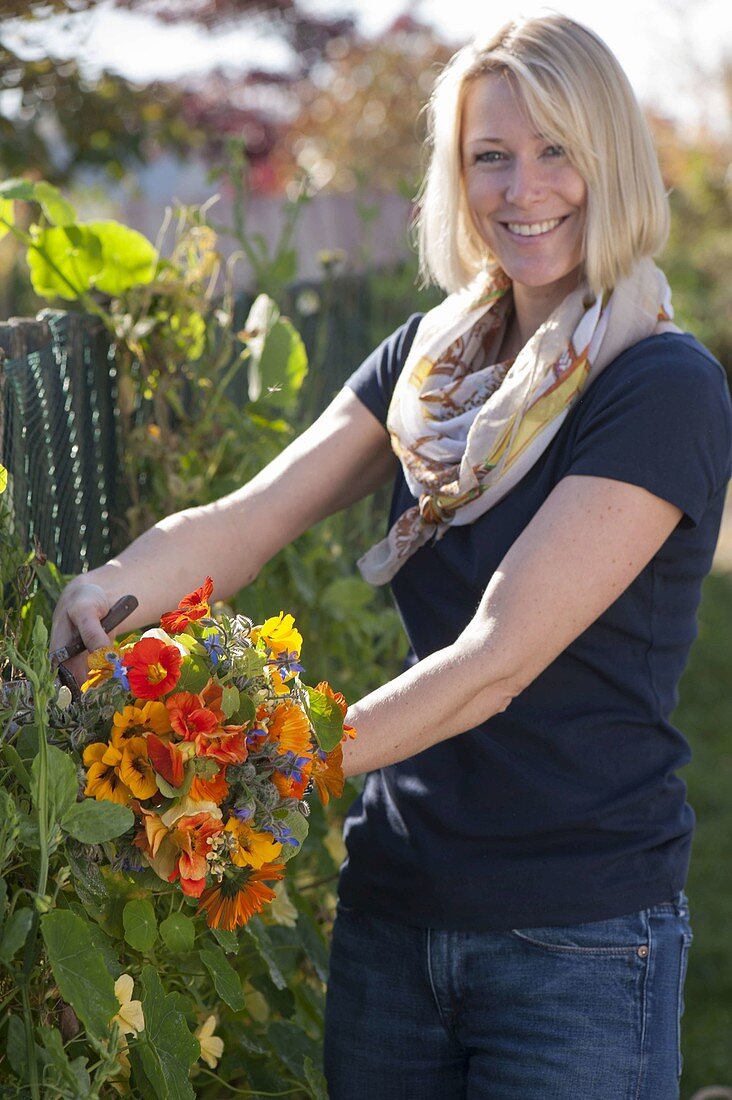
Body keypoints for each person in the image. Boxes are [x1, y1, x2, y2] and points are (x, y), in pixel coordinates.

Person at [51, 13, 731, 1099]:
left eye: (558, 150)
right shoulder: (431, 367)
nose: (524, 188)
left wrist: (269, 755)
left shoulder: (660, 386)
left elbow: (499, 656)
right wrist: (103, 590)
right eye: (490, 156)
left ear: (613, 160)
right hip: (394, 919)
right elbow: (250, 514)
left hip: (579, 937)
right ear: (457, 179)